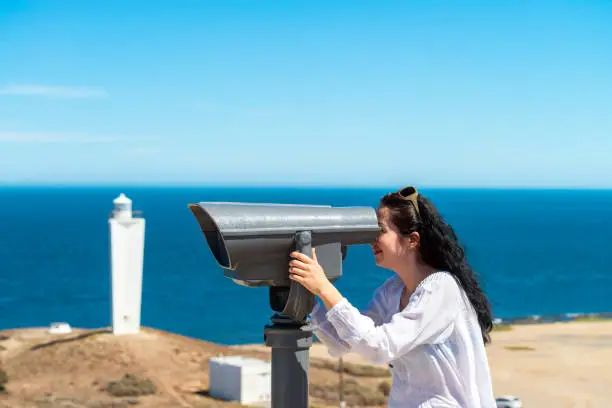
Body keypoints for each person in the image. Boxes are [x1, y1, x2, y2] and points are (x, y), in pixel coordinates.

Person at [288, 186, 496, 408]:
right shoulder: (392, 291)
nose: (372, 240)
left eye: (380, 231)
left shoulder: (441, 289)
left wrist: (324, 288)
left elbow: (379, 347)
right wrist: (306, 299)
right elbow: (342, 342)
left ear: (412, 240)